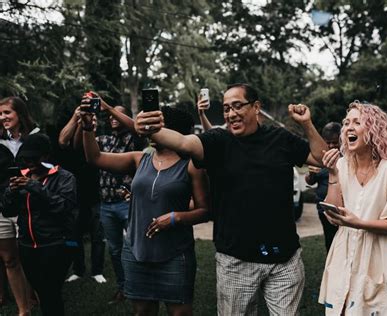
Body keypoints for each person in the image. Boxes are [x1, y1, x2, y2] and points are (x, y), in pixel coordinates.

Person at [135, 83, 328, 315]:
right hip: (235, 260)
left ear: (256, 107)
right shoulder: (218, 141)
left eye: (237, 106)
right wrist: (149, 128)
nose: (231, 114)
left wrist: (306, 123)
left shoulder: (280, 138)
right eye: (227, 108)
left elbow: (321, 158)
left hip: (284, 259)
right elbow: (184, 142)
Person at [80, 105, 209, 316]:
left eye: (155, 125)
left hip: (175, 255)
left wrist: (176, 218)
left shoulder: (192, 165)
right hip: (136, 252)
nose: (147, 129)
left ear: (171, 131)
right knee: (143, 312)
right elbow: (95, 158)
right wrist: (87, 129)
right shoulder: (140, 159)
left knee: (180, 313)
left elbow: (205, 210)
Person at [318, 101, 387, 315]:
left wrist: (358, 223)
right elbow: (333, 215)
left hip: (380, 256)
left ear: (373, 130)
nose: (348, 128)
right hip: (345, 251)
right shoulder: (342, 165)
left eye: (357, 122)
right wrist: (333, 174)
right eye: (346, 123)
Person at [74, 92, 147, 303]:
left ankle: (140, 286)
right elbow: (79, 146)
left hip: (128, 203)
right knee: (115, 250)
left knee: (136, 246)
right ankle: (123, 288)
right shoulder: (103, 139)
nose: (113, 118)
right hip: (106, 205)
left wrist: (108, 107)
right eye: (111, 116)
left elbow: (135, 126)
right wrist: (84, 123)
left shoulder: (133, 139)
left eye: (117, 115)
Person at [2, 133, 77, 316]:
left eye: (33, 158)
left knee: (51, 292)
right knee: (42, 292)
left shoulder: (64, 177)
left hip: (55, 244)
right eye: (25, 158)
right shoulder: (21, 177)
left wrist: (34, 187)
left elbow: (64, 207)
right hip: (27, 246)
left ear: (45, 156)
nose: (29, 162)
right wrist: (11, 192)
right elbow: (8, 210)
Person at [58, 105, 106, 284]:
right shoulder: (73, 141)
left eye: (92, 119)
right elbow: (64, 141)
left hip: (95, 195)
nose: (90, 120)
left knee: (97, 236)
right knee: (74, 237)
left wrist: (89, 125)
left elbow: (88, 147)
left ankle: (97, 271)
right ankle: (78, 269)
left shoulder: (98, 140)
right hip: (75, 198)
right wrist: (78, 117)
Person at [0, 144, 30, 315]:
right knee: (9, 259)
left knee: (28, 255)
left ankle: (37, 296)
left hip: (21, 205)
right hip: (0, 210)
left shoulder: (10, 145)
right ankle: (23, 309)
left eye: (5, 113)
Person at [305, 122, 341, 252]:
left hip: (341, 208)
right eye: (328, 142)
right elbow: (310, 182)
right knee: (330, 241)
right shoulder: (320, 157)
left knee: (342, 242)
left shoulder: (346, 157)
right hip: (323, 208)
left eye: (335, 142)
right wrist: (311, 174)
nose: (331, 146)